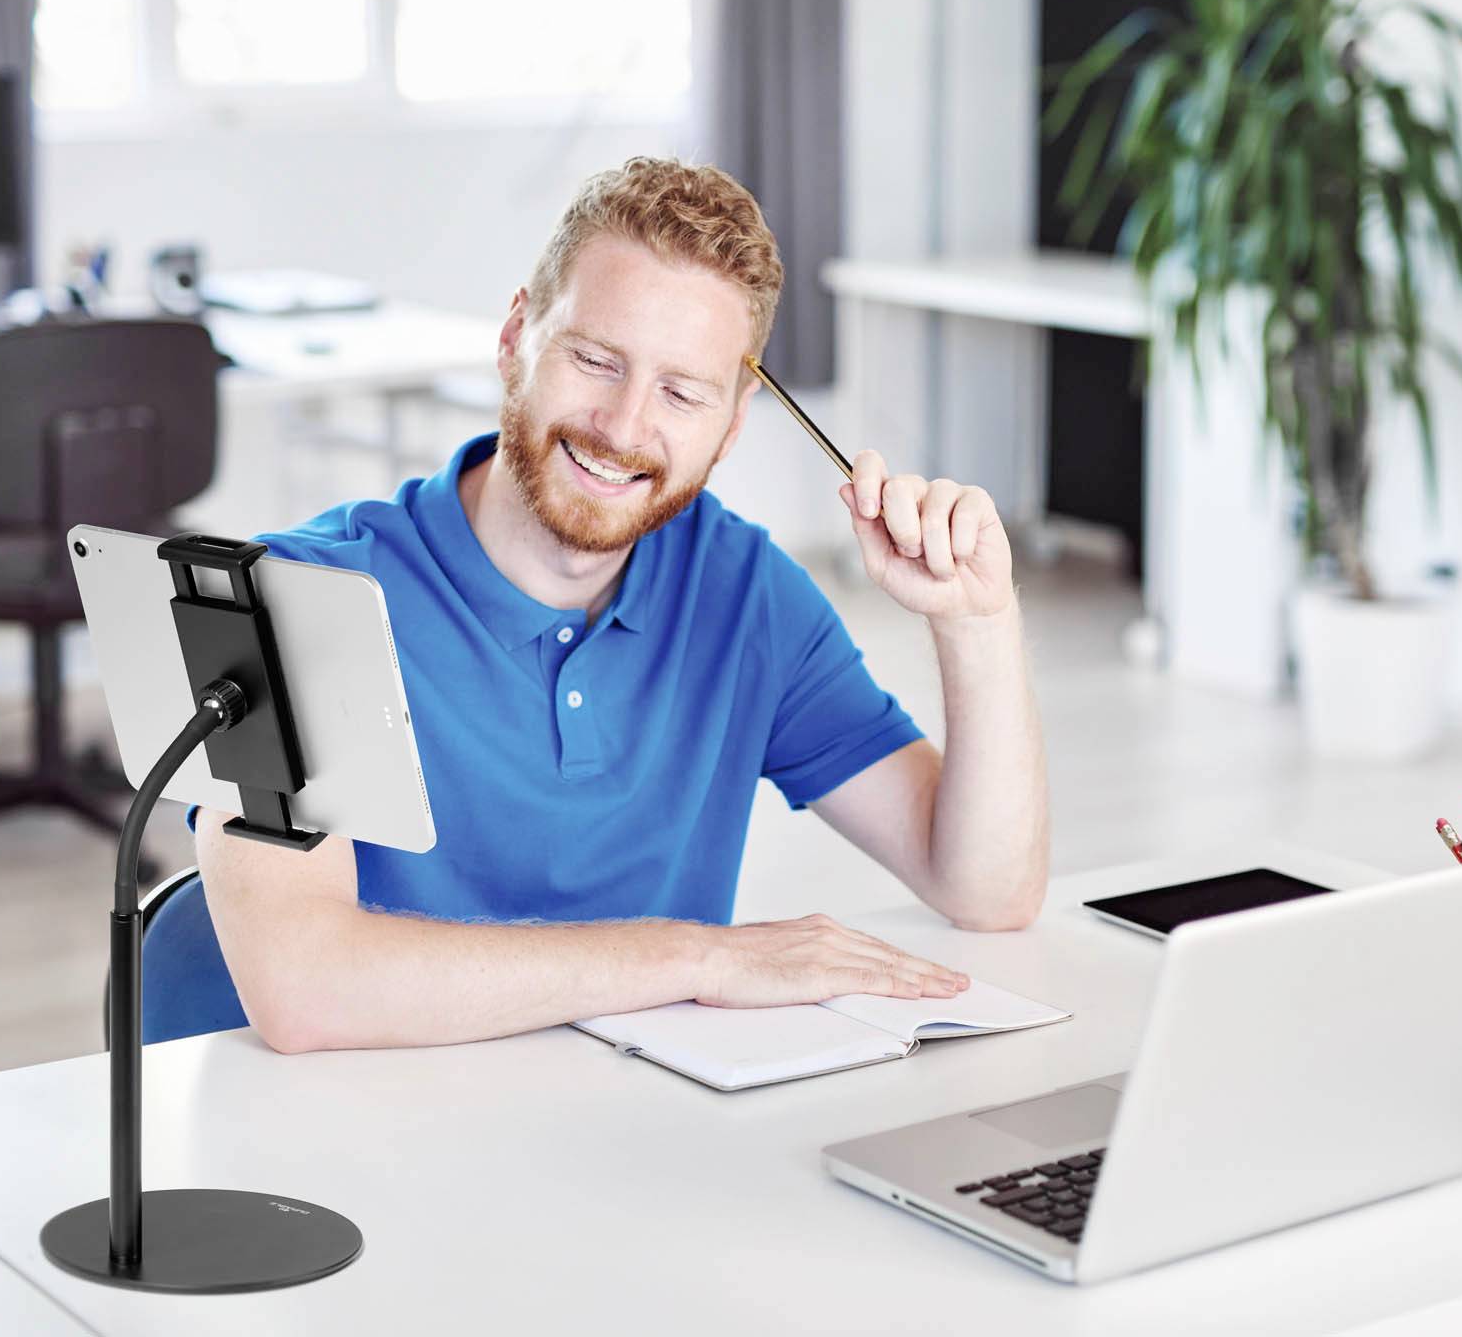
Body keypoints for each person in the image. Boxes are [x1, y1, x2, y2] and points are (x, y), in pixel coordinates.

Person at [170, 157, 1047, 1051]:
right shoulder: (283, 601)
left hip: (635, 1150)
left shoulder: (745, 590)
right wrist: (700, 959)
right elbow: (303, 986)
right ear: (516, 336)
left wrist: (977, 622)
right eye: (595, 360)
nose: (624, 428)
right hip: (356, 1155)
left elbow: (986, 888)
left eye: (681, 392)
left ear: (734, 421)